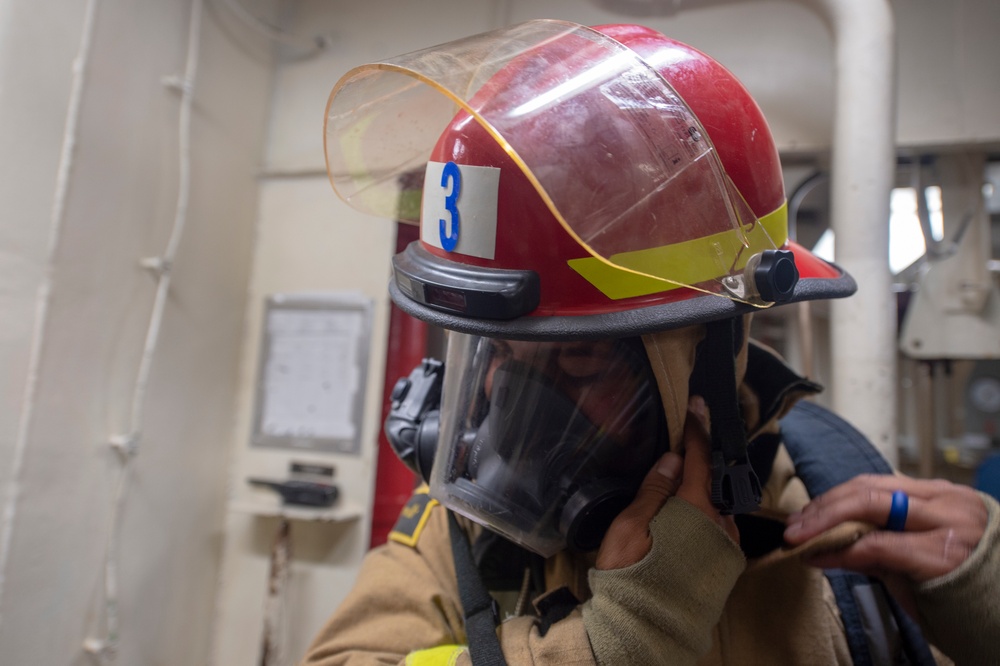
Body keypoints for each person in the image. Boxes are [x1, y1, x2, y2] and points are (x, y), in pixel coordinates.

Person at [305, 20, 999, 665]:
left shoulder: (838, 519)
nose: (504, 403)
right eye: (495, 356)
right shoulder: (460, 538)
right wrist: (605, 645)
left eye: (574, 359)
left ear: (709, 361)